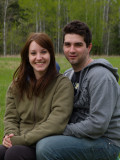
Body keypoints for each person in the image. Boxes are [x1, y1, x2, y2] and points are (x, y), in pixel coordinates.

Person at [36, 20, 120, 160]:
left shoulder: (101, 76)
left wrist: (59, 131)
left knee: (46, 147)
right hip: (80, 137)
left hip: (106, 142)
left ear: (89, 47)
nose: (72, 50)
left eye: (78, 45)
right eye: (67, 44)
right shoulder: (68, 75)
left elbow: (97, 125)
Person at [0, 32, 74, 160]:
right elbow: (11, 117)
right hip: (20, 139)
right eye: (33, 53)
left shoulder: (62, 84)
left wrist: (22, 140)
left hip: (45, 144)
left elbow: (56, 123)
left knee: (14, 154)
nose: (39, 57)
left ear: (51, 54)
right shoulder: (17, 85)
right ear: (27, 57)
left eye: (43, 52)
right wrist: (10, 135)